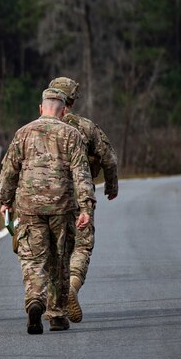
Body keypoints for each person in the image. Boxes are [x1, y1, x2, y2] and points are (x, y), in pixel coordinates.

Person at [0, 88, 95, 334]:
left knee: (32, 258)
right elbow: (81, 174)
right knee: (60, 260)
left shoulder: (23, 133)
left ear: (41, 109)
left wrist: (5, 201)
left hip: (30, 207)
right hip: (62, 207)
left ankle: (34, 300)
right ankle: (57, 314)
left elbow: (9, 171)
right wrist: (86, 207)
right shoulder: (72, 134)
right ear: (63, 111)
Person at [48, 76, 118, 323]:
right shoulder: (87, 127)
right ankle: (72, 289)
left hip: (47, 198)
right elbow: (108, 158)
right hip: (80, 196)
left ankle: (53, 302)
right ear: (73, 99)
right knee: (81, 247)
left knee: (50, 248)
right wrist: (111, 185)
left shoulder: (38, 127)